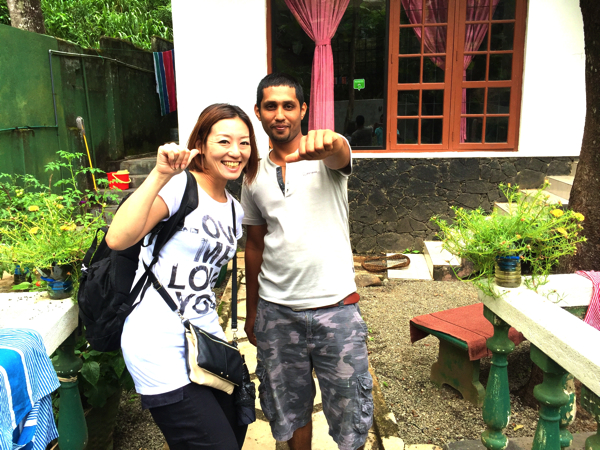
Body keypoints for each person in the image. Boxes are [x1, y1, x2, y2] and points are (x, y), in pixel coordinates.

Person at [105, 104, 259, 450]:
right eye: (224, 141)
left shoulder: (234, 209)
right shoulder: (179, 188)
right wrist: (160, 175)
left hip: (205, 339)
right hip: (157, 342)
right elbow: (118, 239)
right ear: (201, 144)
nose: (236, 152)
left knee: (236, 426)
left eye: (244, 143)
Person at [241, 73, 373, 450]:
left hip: (336, 310)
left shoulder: (326, 158)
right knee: (289, 412)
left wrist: (332, 142)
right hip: (277, 314)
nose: (280, 114)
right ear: (258, 112)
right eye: (271, 106)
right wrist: (252, 312)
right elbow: (255, 245)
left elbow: (339, 151)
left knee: (351, 414)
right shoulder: (252, 174)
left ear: (303, 110)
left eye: (288, 106)